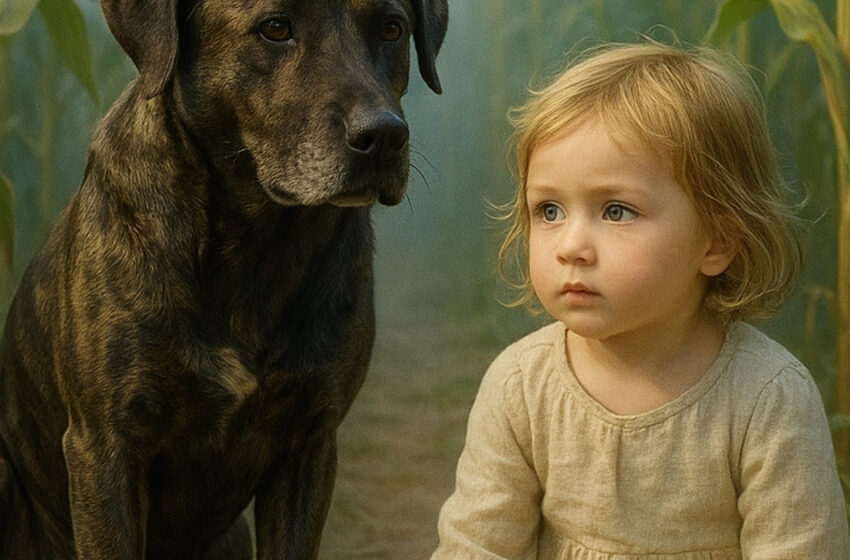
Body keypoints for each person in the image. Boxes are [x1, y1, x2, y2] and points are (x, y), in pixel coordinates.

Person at [432, 41, 849, 559]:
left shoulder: (768, 399)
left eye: (616, 212)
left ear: (716, 240)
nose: (571, 247)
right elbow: (478, 545)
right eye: (550, 210)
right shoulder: (521, 386)